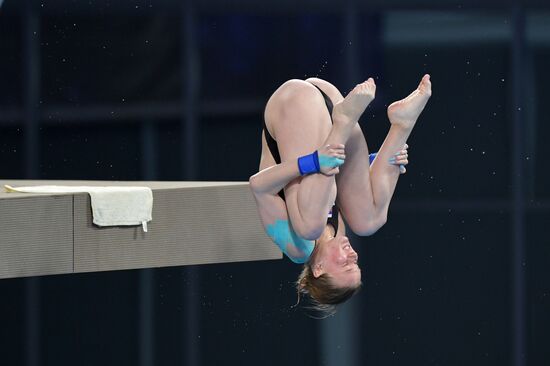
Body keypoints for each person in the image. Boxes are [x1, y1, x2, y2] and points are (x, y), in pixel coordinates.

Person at [249, 74, 432, 314]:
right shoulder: (338, 231)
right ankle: (402, 124)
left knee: (310, 228)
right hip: (328, 103)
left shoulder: (298, 248)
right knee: (368, 222)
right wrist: (384, 162)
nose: (352, 254)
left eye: (345, 264)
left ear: (318, 269)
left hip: (293, 103)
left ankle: (344, 121)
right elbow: (344, 182)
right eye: (355, 262)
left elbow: (259, 186)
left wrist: (312, 162)